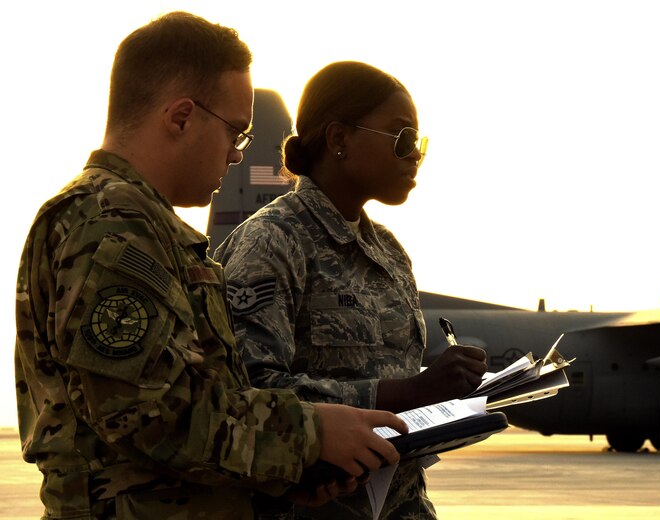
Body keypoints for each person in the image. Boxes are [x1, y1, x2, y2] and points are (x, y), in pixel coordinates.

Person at [14, 14, 408, 520]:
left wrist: (278, 479)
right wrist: (311, 434)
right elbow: (150, 415)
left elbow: (190, 407)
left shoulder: (145, 227)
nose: (237, 155)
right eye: (235, 133)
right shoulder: (109, 225)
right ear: (180, 117)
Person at [214, 61, 488, 519]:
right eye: (401, 138)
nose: (414, 154)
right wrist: (411, 391)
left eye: (417, 142)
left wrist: (450, 395)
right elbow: (250, 393)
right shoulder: (273, 241)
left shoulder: (389, 252)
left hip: (400, 504)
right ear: (339, 139)